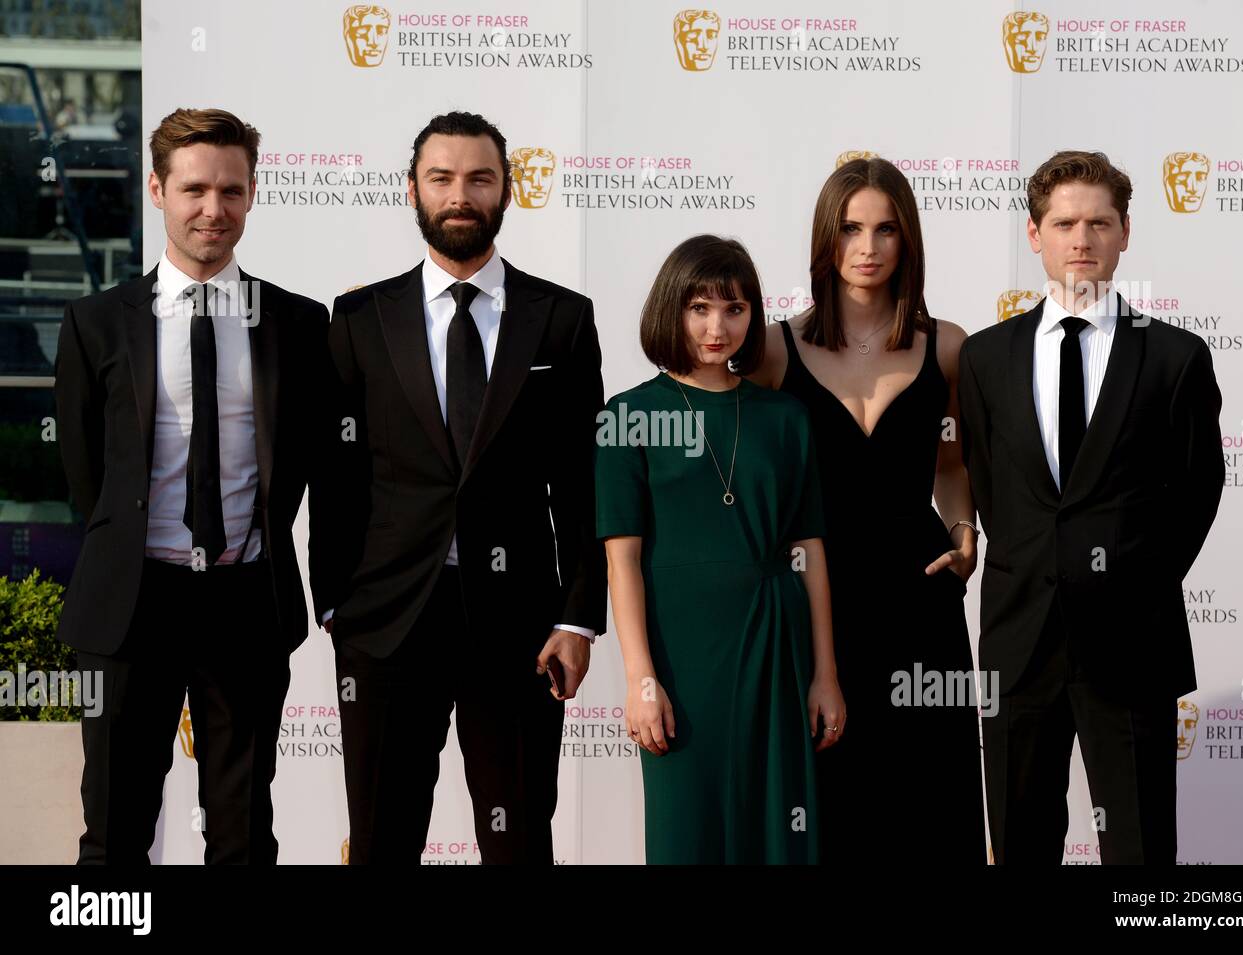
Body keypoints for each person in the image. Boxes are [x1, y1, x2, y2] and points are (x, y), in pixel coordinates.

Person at [54, 107, 335, 863]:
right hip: (131, 602)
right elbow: (86, 475)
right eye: (195, 189)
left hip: (246, 599)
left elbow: (317, 465)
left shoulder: (300, 325)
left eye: (232, 190)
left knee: (242, 833)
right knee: (114, 828)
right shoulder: (96, 323)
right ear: (157, 188)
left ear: (252, 193)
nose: (214, 209)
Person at [324, 111, 606, 864]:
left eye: (479, 177)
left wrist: (578, 619)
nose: (460, 194)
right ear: (411, 189)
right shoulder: (358, 319)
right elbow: (337, 474)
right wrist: (337, 604)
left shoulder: (562, 320)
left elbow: (583, 484)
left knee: (517, 843)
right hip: (386, 624)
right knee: (383, 839)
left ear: (507, 189)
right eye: (441, 177)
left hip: (520, 626)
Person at [959, 150, 1224, 864]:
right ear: (1034, 233)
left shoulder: (1174, 356)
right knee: (1019, 842)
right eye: (1065, 221)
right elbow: (991, 485)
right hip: (1018, 642)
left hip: (1133, 643)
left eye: (1099, 222)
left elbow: (1198, 490)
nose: (1082, 238)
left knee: (1139, 848)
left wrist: (1133, 577)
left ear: (1126, 232)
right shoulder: (984, 359)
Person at [750, 157, 986, 864]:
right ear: (827, 238)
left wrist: (965, 532)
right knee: (827, 796)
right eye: (851, 227)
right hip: (816, 599)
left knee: (927, 799)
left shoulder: (948, 345)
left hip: (921, 596)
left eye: (886, 228)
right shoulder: (771, 348)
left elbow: (951, 465)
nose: (869, 246)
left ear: (907, 239)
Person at [597, 234, 844, 864]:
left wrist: (826, 674)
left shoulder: (785, 417)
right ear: (670, 312)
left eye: (734, 310)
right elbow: (622, 562)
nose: (717, 326)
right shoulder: (626, 415)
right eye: (700, 308)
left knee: (779, 828)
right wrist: (640, 678)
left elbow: (808, 550)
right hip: (680, 656)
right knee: (686, 832)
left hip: (776, 643)